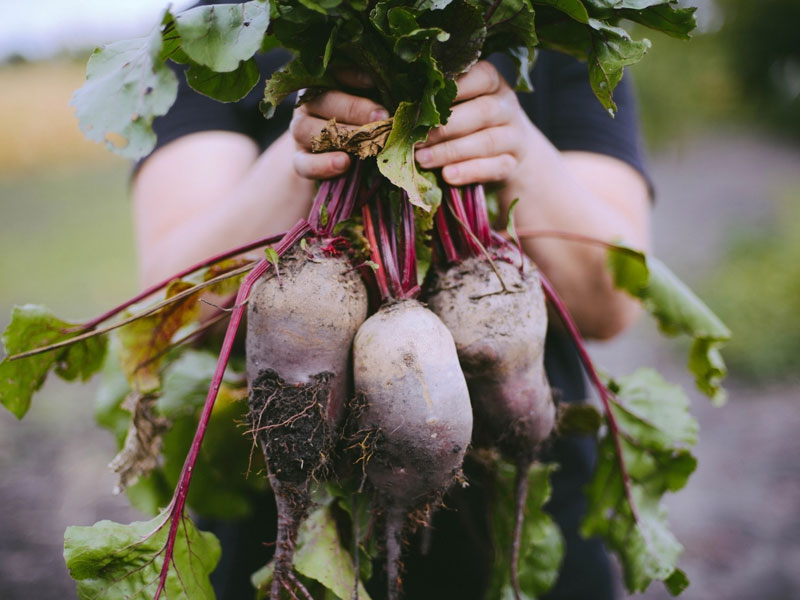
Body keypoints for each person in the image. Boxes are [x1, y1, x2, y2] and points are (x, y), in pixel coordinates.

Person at [132, 10, 651, 599]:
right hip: (262, 537)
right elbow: (169, 302)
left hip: (533, 515)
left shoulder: (558, 22)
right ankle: (289, 545)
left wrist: (516, 149)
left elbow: (613, 306)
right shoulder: (220, 26)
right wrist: (311, 145)